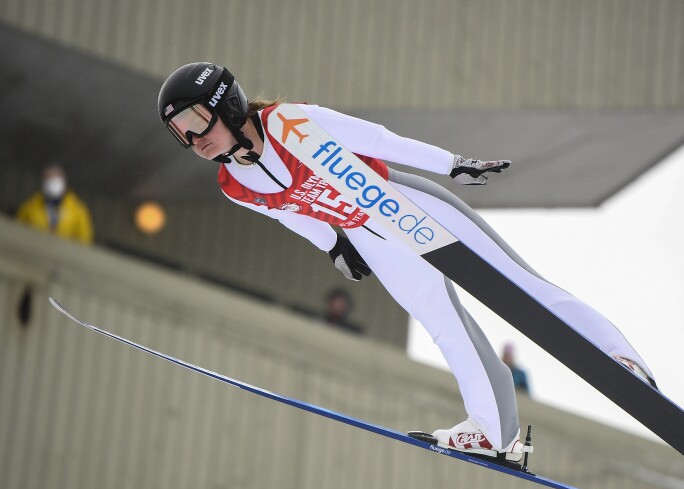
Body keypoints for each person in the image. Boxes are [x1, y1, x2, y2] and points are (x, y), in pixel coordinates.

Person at [157, 62, 656, 466]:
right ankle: (492, 430)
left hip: (403, 203)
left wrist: (451, 163)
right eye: (180, 134)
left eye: (196, 123)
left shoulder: (289, 123)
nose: (193, 140)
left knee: (519, 286)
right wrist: (334, 246)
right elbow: (292, 215)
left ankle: (618, 358)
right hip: (369, 237)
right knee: (443, 324)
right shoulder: (234, 185)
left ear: (227, 103)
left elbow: (377, 140)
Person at [16, 164, 94, 244]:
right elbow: (17, 232)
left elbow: (84, 239)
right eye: (48, 179)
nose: (51, 183)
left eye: (55, 179)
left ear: (63, 181)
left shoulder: (78, 210)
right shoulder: (29, 206)